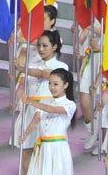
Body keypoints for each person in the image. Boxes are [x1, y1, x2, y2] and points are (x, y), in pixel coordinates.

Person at [13, 31, 67, 173]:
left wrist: (22, 68)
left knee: (45, 151)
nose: (41, 49)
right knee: (26, 150)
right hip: (30, 110)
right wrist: (16, 99)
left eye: (45, 46)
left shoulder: (61, 66)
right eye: (38, 45)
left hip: (48, 112)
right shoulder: (32, 64)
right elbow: (22, 84)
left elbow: (45, 74)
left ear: (54, 47)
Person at [17, 68, 76, 175]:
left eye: (56, 84)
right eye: (49, 83)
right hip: (43, 147)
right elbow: (36, 120)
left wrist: (30, 102)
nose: (52, 87)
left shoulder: (69, 104)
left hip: (57, 148)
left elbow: (52, 109)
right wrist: (24, 135)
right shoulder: (44, 101)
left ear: (66, 85)